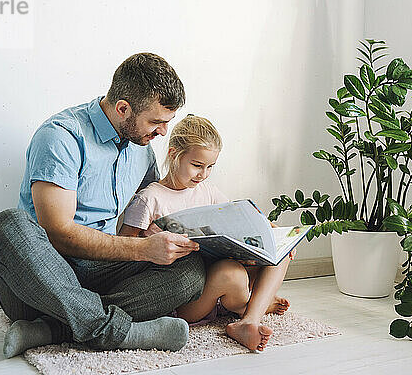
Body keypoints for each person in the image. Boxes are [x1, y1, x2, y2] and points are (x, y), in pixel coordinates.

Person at [0, 53, 207, 358]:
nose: (163, 132)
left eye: (167, 123)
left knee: (191, 269)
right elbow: (59, 233)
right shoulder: (61, 136)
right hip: (42, 277)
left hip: (99, 274)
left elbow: (154, 204)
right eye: (157, 122)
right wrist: (142, 249)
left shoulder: (141, 148)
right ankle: (116, 331)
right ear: (123, 109)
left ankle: (55, 328)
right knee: (8, 225)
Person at [120, 115, 294, 351]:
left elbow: (239, 217)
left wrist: (268, 228)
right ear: (174, 154)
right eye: (197, 165)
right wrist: (153, 245)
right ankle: (253, 304)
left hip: (218, 282)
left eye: (210, 166)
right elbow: (124, 245)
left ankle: (249, 319)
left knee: (281, 251)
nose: (203, 174)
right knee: (230, 272)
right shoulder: (150, 197)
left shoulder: (207, 191)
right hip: (188, 295)